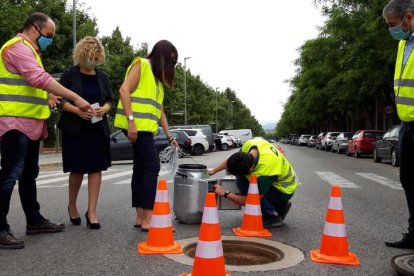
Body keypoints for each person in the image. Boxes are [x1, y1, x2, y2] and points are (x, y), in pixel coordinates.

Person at [0, 12, 94, 249]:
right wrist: (75, 97)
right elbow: (38, 78)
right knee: (10, 175)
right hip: (13, 122)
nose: (50, 41)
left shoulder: (31, 51)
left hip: (30, 123)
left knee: (29, 174)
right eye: (48, 36)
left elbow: (31, 84)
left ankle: (34, 220)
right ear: (34, 28)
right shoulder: (18, 47)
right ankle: (0, 228)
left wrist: (48, 94)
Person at [114, 40, 179, 232]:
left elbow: (159, 111)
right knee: (151, 167)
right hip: (136, 126)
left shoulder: (157, 81)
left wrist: (170, 137)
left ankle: (140, 216)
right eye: (170, 61)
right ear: (161, 56)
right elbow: (124, 90)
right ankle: (149, 219)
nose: (170, 67)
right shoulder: (141, 64)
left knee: (142, 169)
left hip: (145, 128)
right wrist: (131, 121)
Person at [57, 36, 113, 230]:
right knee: (77, 169)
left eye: (98, 55)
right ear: (82, 54)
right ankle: (72, 205)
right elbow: (60, 101)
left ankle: (92, 211)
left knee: (96, 168)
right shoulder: (69, 75)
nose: (94, 58)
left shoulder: (103, 77)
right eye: (91, 54)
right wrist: (77, 111)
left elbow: (110, 101)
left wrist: (105, 109)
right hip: (75, 129)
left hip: (97, 129)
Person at [208, 137, 297, 228]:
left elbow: (252, 200)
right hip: (275, 178)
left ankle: (272, 215)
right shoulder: (250, 144)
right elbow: (233, 159)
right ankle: (278, 207)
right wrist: (213, 171)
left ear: (251, 169)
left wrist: (225, 193)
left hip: (284, 190)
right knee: (241, 180)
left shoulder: (265, 171)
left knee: (243, 183)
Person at [384, 0, 414, 249]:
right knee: (409, 180)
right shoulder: (404, 43)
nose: (391, 30)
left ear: (408, 17)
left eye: (393, 25)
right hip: (407, 123)